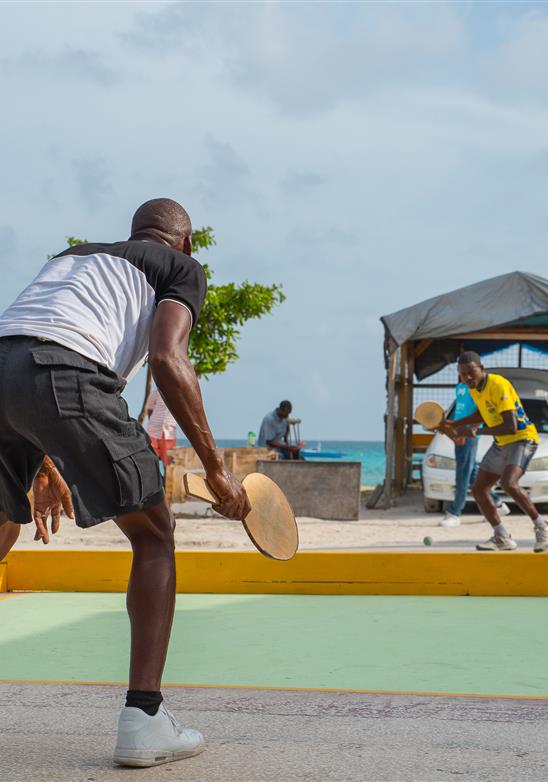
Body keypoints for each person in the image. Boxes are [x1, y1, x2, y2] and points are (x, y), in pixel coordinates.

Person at [0, 198, 250, 768]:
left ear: (134, 233)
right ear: (186, 243)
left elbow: (25, 347)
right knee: (154, 534)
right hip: (65, 373)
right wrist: (215, 468)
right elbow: (166, 357)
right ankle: (144, 719)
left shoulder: (75, 256)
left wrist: (43, 461)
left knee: (2, 528)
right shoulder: (181, 268)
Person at [442, 351, 548, 552]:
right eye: (463, 374)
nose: (468, 377)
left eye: (472, 372)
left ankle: (542, 526)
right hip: (502, 442)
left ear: (481, 369)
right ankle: (502, 536)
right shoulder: (474, 388)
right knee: (479, 489)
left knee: (509, 483)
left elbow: (511, 427)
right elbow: (482, 413)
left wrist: (474, 431)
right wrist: (454, 423)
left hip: (523, 438)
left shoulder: (498, 384)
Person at [440, 380, 509, 527]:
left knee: (462, 473)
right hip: (459, 432)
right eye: (461, 371)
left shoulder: (476, 389)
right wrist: (450, 429)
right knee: (470, 472)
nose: (465, 375)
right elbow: (459, 412)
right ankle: (497, 504)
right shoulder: (459, 387)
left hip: (468, 435)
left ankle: (455, 512)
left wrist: (468, 432)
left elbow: (481, 412)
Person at [146, 387, 177, 471]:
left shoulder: (178, 393)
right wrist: (154, 422)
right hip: (154, 430)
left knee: (168, 462)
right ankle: (153, 478)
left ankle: (166, 478)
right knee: (151, 458)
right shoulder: (156, 392)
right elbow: (149, 409)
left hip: (169, 431)